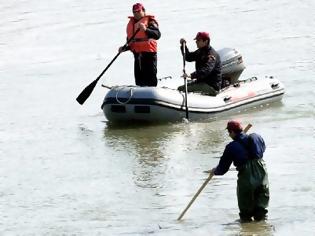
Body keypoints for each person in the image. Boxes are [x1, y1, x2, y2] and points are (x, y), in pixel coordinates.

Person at [208, 120, 270, 222]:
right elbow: (263, 149)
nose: (229, 135)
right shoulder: (256, 137)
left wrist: (215, 171)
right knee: (261, 207)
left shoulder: (231, 147)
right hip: (262, 171)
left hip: (246, 176)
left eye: (229, 132)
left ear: (232, 132)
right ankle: (261, 228)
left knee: (245, 211)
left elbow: (223, 168)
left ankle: (246, 229)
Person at [119, 3, 161, 87]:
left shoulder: (150, 21)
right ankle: (140, 95)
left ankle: (151, 94)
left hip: (149, 55)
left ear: (143, 11)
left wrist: (146, 29)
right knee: (139, 80)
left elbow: (157, 35)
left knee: (150, 79)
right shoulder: (132, 24)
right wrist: (125, 48)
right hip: (137, 55)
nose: (136, 13)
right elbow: (131, 42)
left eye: (138, 11)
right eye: (134, 12)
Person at [178, 32, 222, 96]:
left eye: (198, 40)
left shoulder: (211, 55)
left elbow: (206, 70)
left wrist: (191, 75)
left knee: (181, 90)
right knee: (180, 88)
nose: (196, 42)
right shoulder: (200, 51)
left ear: (206, 41)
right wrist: (183, 46)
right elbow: (188, 57)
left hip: (211, 86)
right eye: (196, 40)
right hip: (202, 82)